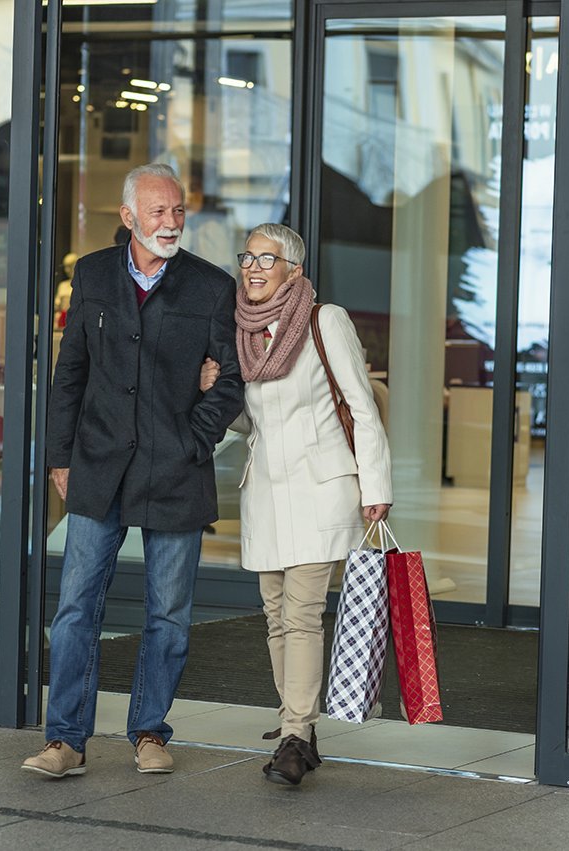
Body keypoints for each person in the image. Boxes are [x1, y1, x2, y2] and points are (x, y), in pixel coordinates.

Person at [23, 164, 245, 779]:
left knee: (168, 612)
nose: (171, 222)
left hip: (175, 471)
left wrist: (192, 443)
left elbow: (230, 380)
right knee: (74, 608)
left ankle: (150, 731)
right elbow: (71, 374)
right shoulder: (92, 274)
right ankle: (64, 740)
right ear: (128, 217)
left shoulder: (210, 287)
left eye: (178, 211)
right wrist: (60, 457)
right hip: (97, 466)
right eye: (158, 212)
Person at [200, 223, 392, 786]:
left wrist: (375, 487)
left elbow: (361, 405)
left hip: (321, 486)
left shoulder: (322, 320)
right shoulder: (243, 331)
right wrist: (213, 391)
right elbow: (251, 419)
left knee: (303, 613)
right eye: (248, 257)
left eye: (268, 258)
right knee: (275, 616)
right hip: (265, 491)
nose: (253, 268)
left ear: (294, 271)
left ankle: (293, 732)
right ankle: (300, 728)